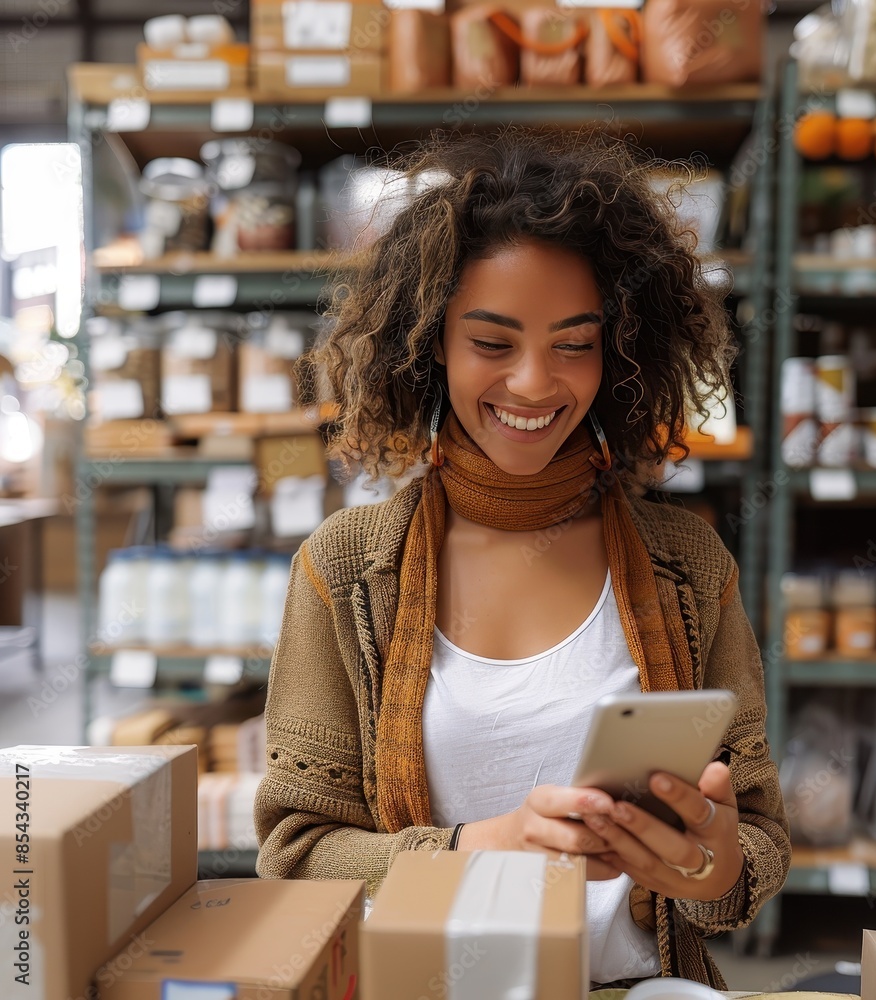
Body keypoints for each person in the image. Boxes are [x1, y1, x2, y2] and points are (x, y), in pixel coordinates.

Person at [254, 126, 790, 991]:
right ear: (432, 341)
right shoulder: (345, 569)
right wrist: (477, 850)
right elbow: (295, 853)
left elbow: (755, 840)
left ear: (616, 350)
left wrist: (713, 868)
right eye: (493, 343)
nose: (536, 383)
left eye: (574, 343)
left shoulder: (690, 565)